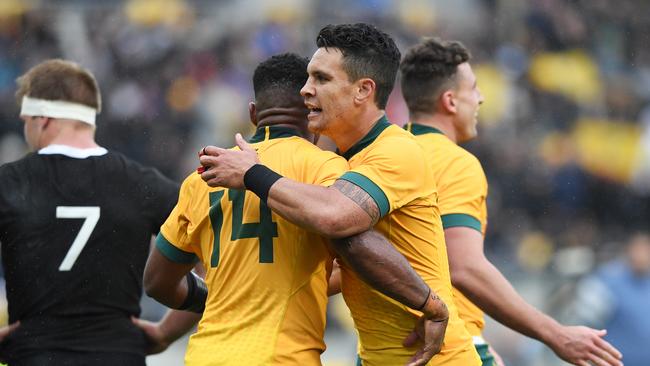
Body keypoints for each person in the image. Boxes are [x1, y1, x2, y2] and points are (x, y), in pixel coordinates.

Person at [199, 24, 480, 366]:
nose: (305, 90)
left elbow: (336, 218)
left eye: (321, 79)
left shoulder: (395, 150)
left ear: (363, 90)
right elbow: (349, 265)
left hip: (438, 359)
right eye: (308, 78)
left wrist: (250, 173)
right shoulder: (344, 160)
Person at [144, 53, 447, 366]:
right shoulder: (325, 169)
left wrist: (222, 297)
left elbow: (157, 282)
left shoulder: (204, 177)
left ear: (252, 113)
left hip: (204, 356)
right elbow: (353, 242)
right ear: (312, 110)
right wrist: (427, 302)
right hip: (282, 357)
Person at [399, 37, 623, 366]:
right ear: (450, 101)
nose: (481, 97)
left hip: (383, 348)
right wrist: (554, 333)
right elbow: (465, 269)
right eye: (473, 89)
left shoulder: (383, 158)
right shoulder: (455, 163)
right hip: (446, 351)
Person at [0, 59, 181, 365]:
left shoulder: (9, 182)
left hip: (36, 355)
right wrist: (166, 331)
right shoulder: (141, 183)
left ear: (42, 118)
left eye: (26, 120)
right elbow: (214, 255)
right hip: (118, 354)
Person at [569, 232, 650, 366]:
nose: (641, 255)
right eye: (638, 249)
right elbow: (584, 322)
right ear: (628, 250)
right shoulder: (607, 280)